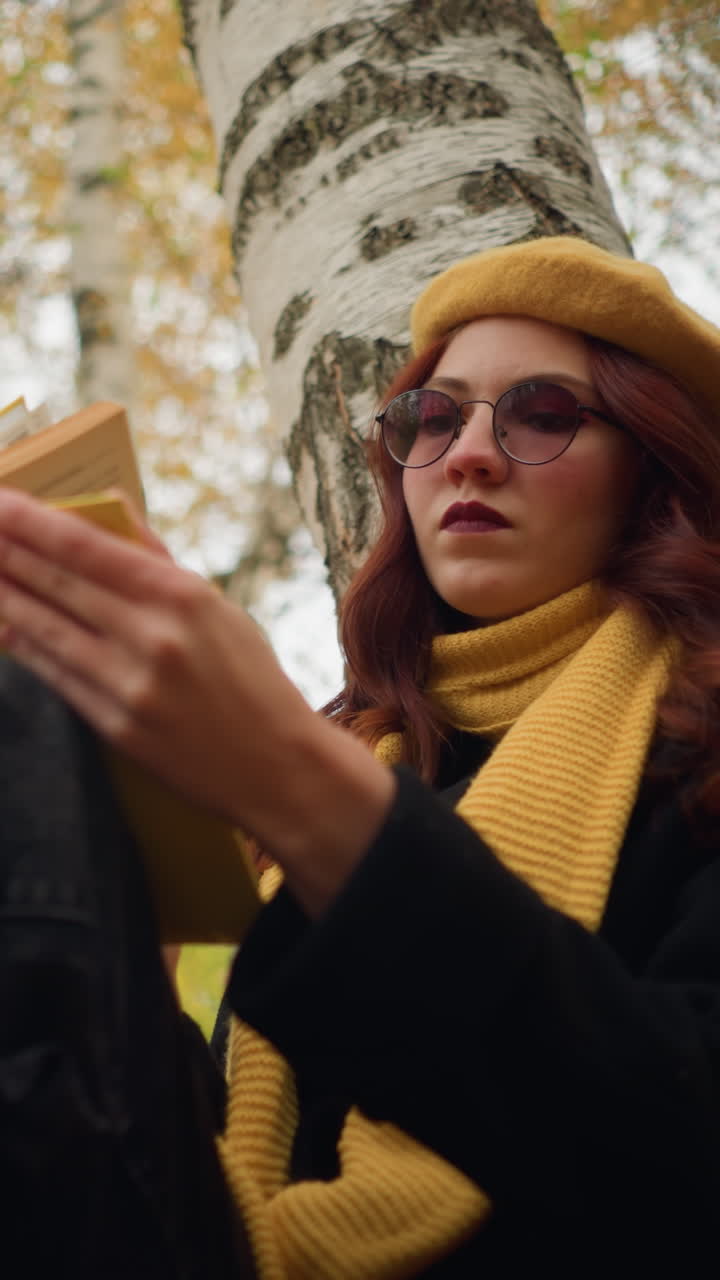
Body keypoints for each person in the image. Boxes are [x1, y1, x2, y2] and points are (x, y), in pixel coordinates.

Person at [1, 235, 720, 1277]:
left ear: (654, 475)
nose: (467, 451)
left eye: (544, 412)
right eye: (436, 415)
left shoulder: (693, 749)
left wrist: (295, 783)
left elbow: (680, 1157)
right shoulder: (379, 760)